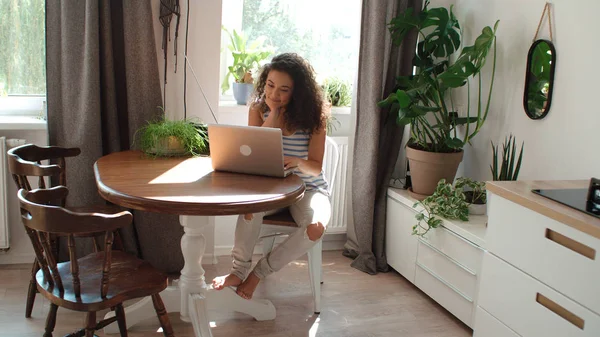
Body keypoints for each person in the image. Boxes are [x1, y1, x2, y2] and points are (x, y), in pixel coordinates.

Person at [212, 53, 332, 300]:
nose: (274, 94)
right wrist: (274, 115)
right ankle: (237, 271)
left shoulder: (315, 117)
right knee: (248, 208)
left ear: (297, 92)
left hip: (309, 190)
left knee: (316, 227)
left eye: (284, 90)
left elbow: (316, 168)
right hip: (271, 189)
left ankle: (258, 273)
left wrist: (298, 163)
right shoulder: (258, 109)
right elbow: (254, 151)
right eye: (270, 85)